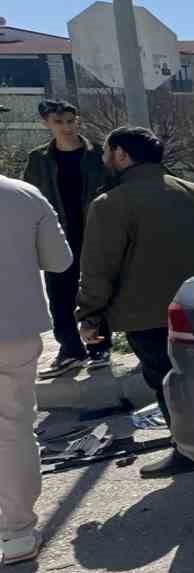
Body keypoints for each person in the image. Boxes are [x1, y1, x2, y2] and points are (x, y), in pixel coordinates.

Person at [77, 127, 194, 479]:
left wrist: (89, 315)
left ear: (121, 155)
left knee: (165, 379)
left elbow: (99, 268)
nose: (104, 160)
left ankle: (187, 449)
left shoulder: (112, 204)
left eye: (106, 153)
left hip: (145, 314)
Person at [0, 176, 74, 565]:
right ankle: (16, 532)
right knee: (11, 430)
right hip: (12, 330)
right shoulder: (22, 194)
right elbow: (59, 261)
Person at [21, 100, 112, 378]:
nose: (67, 127)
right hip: (56, 234)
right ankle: (70, 350)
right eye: (59, 122)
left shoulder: (97, 154)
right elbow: (29, 195)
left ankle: (100, 347)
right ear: (46, 124)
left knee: (95, 290)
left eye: (71, 121)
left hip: (95, 233)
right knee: (60, 294)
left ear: (78, 120)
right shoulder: (39, 159)